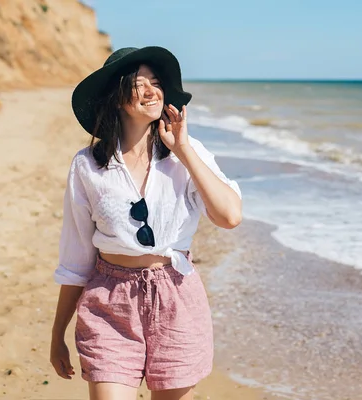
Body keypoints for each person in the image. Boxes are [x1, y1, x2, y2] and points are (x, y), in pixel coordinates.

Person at [49, 46, 242, 400]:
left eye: (157, 83)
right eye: (139, 84)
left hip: (176, 297)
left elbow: (229, 216)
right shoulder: (87, 166)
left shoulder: (187, 154)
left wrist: (183, 150)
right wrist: (58, 333)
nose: (152, 90)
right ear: (117, 95)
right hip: (109, 300)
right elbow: (76, 259)